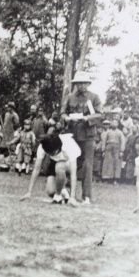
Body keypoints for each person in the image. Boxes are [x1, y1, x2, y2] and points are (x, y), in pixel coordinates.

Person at [60, 70, 102, 204]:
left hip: (88, 135)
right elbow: (62, 113)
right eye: (78, 83)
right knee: (69, 162)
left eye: (83, 83)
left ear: (88, 83)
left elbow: (100, 115)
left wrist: (86, 118)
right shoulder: (70, 97)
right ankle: (65, 192)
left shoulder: (94, 97)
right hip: (72, 134)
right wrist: (66, 118)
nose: (81, 85)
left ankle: (86, 196)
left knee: (87, 165)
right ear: (75, 84)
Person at [20, 133, 80, 207]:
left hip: (70, 162)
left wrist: (73, 197)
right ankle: (64, 192)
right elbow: (36, 169)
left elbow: (73, 174)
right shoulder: (43, 147)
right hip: (55, 162)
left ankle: (58, 196)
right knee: (50, 191)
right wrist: (29, 192)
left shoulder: (69, 145)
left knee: (59, 167)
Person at [101, 119, 126, 185]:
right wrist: (103, 150)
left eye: (116, 123)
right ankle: (107, 178)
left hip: (117, 148)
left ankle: (116, 179)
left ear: (117, 124)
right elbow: (104, 141)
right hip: (108, 148)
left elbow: (123, 142)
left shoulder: (120, 132)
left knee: (117, 163)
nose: (114, 124)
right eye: (113, 122)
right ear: (111, 124)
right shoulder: (108, 132)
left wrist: (121, 151)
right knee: (108, 163)